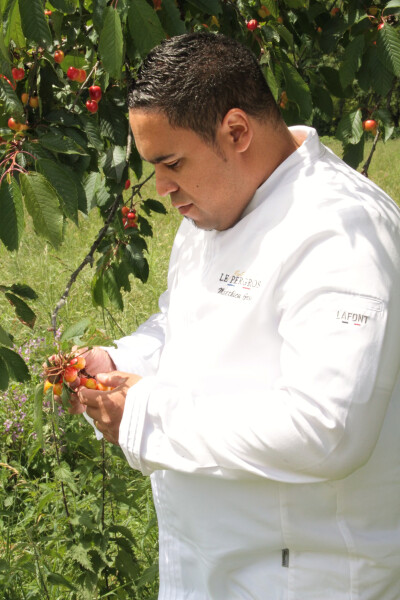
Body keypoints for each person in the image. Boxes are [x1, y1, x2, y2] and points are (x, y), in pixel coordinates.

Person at [72, 33, 400, 600]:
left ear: (237, 131)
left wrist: (146, 416)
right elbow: (185, 326)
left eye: (171, 163)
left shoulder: (340, 233)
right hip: (210, 565)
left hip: (304, 579)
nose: (164, 188)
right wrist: (119, 361)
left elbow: (326, 429)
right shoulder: (213, 209)